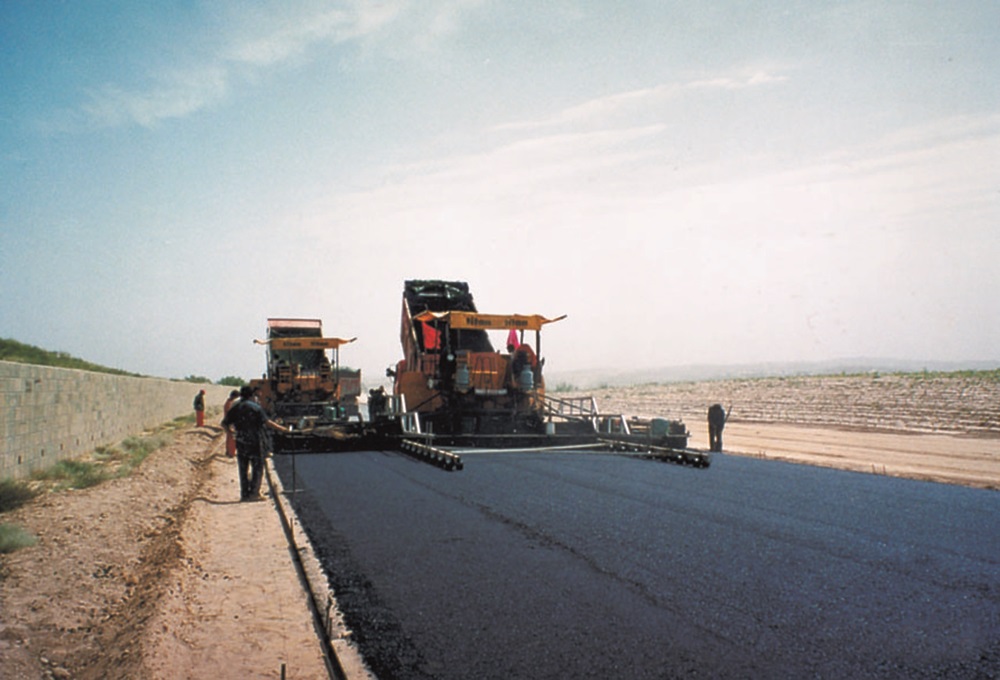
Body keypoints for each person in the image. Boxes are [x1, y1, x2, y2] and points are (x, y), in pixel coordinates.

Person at [221, 386, 289, 501]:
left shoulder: (235, 407)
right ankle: (254, 493)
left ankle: (244, 494)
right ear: (251, 395)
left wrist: (231, 432)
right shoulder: (255, 407)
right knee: (257, 467)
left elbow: (224, 424)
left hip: (241, 441)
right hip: (255, 441)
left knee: (243, 468)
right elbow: (267, 422)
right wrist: (282, 429)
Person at [223, 390, 240, 458]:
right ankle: (231, 453)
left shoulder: (228, 402)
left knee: (229, 437)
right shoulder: (229, 404)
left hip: (228, 422)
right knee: (232, 438)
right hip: (230, 422)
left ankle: (228, 451)